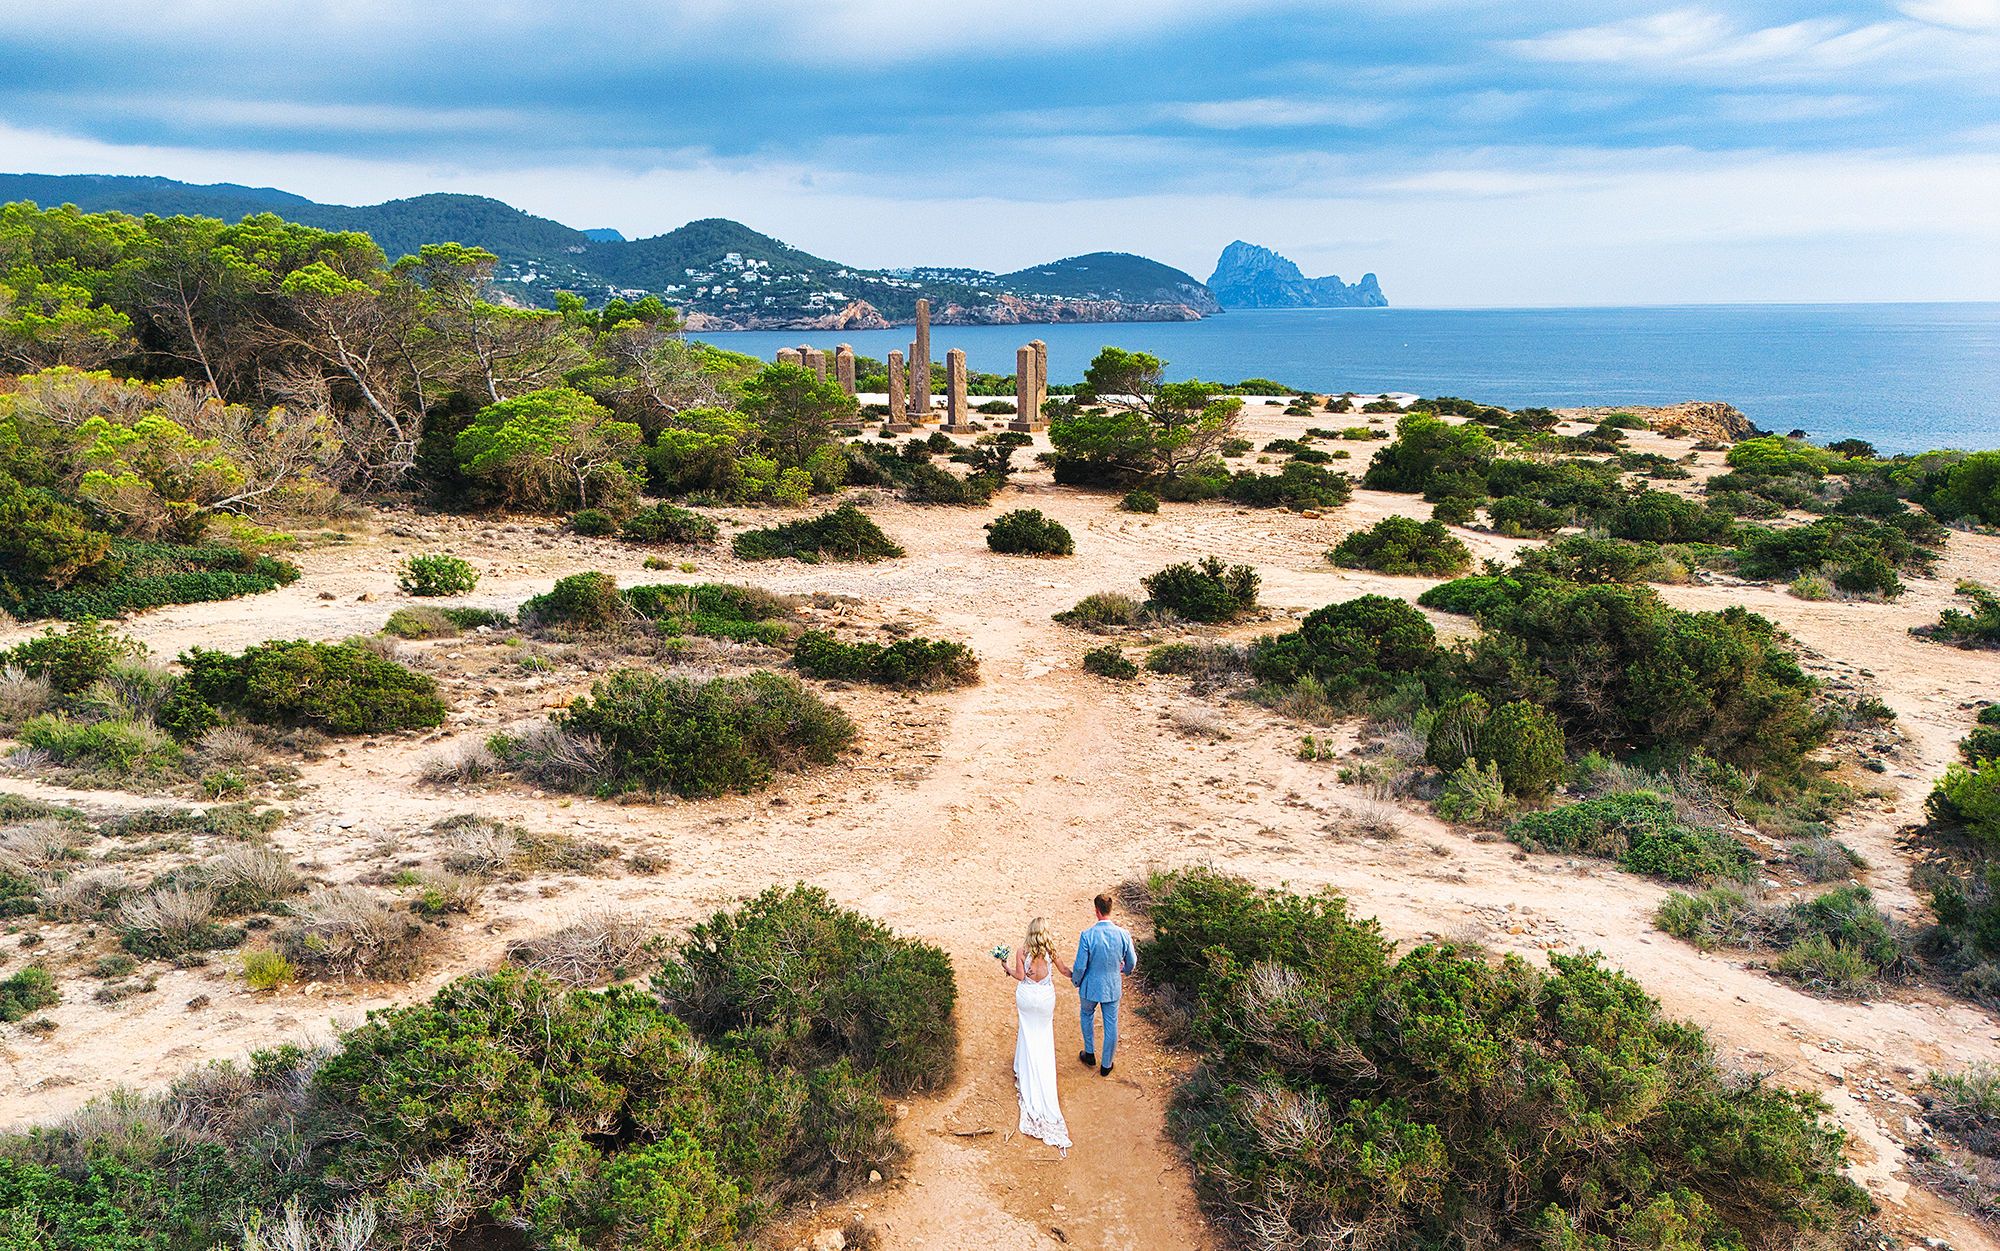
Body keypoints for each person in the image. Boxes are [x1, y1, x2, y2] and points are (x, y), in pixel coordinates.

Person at [998, 917, 1071, 1154]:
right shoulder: (1051, 951)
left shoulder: (1023, 951)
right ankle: (1039, 1068)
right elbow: (1064, 971)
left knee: (1027, 1032)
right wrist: (1080, 974)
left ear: (1030, 932)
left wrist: (1006, 967)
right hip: (1045, 999)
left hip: (1028, 998)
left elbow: (1020, 977)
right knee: (1043, 1035)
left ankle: (1024, 1067)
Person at [1071, 892, 1138, 1077]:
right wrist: (1124, 971)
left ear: (1096, 911)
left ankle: (1090, 1053)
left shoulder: (1087, 935)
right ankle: (1106, 1064)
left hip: (1090, 985)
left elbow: (1080, 965)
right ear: (1110, 910)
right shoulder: (1123, 934)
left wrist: (1076, 981)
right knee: (1111, 1024)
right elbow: (1132, 961)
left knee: (1086, 1015)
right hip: (1111, 986)